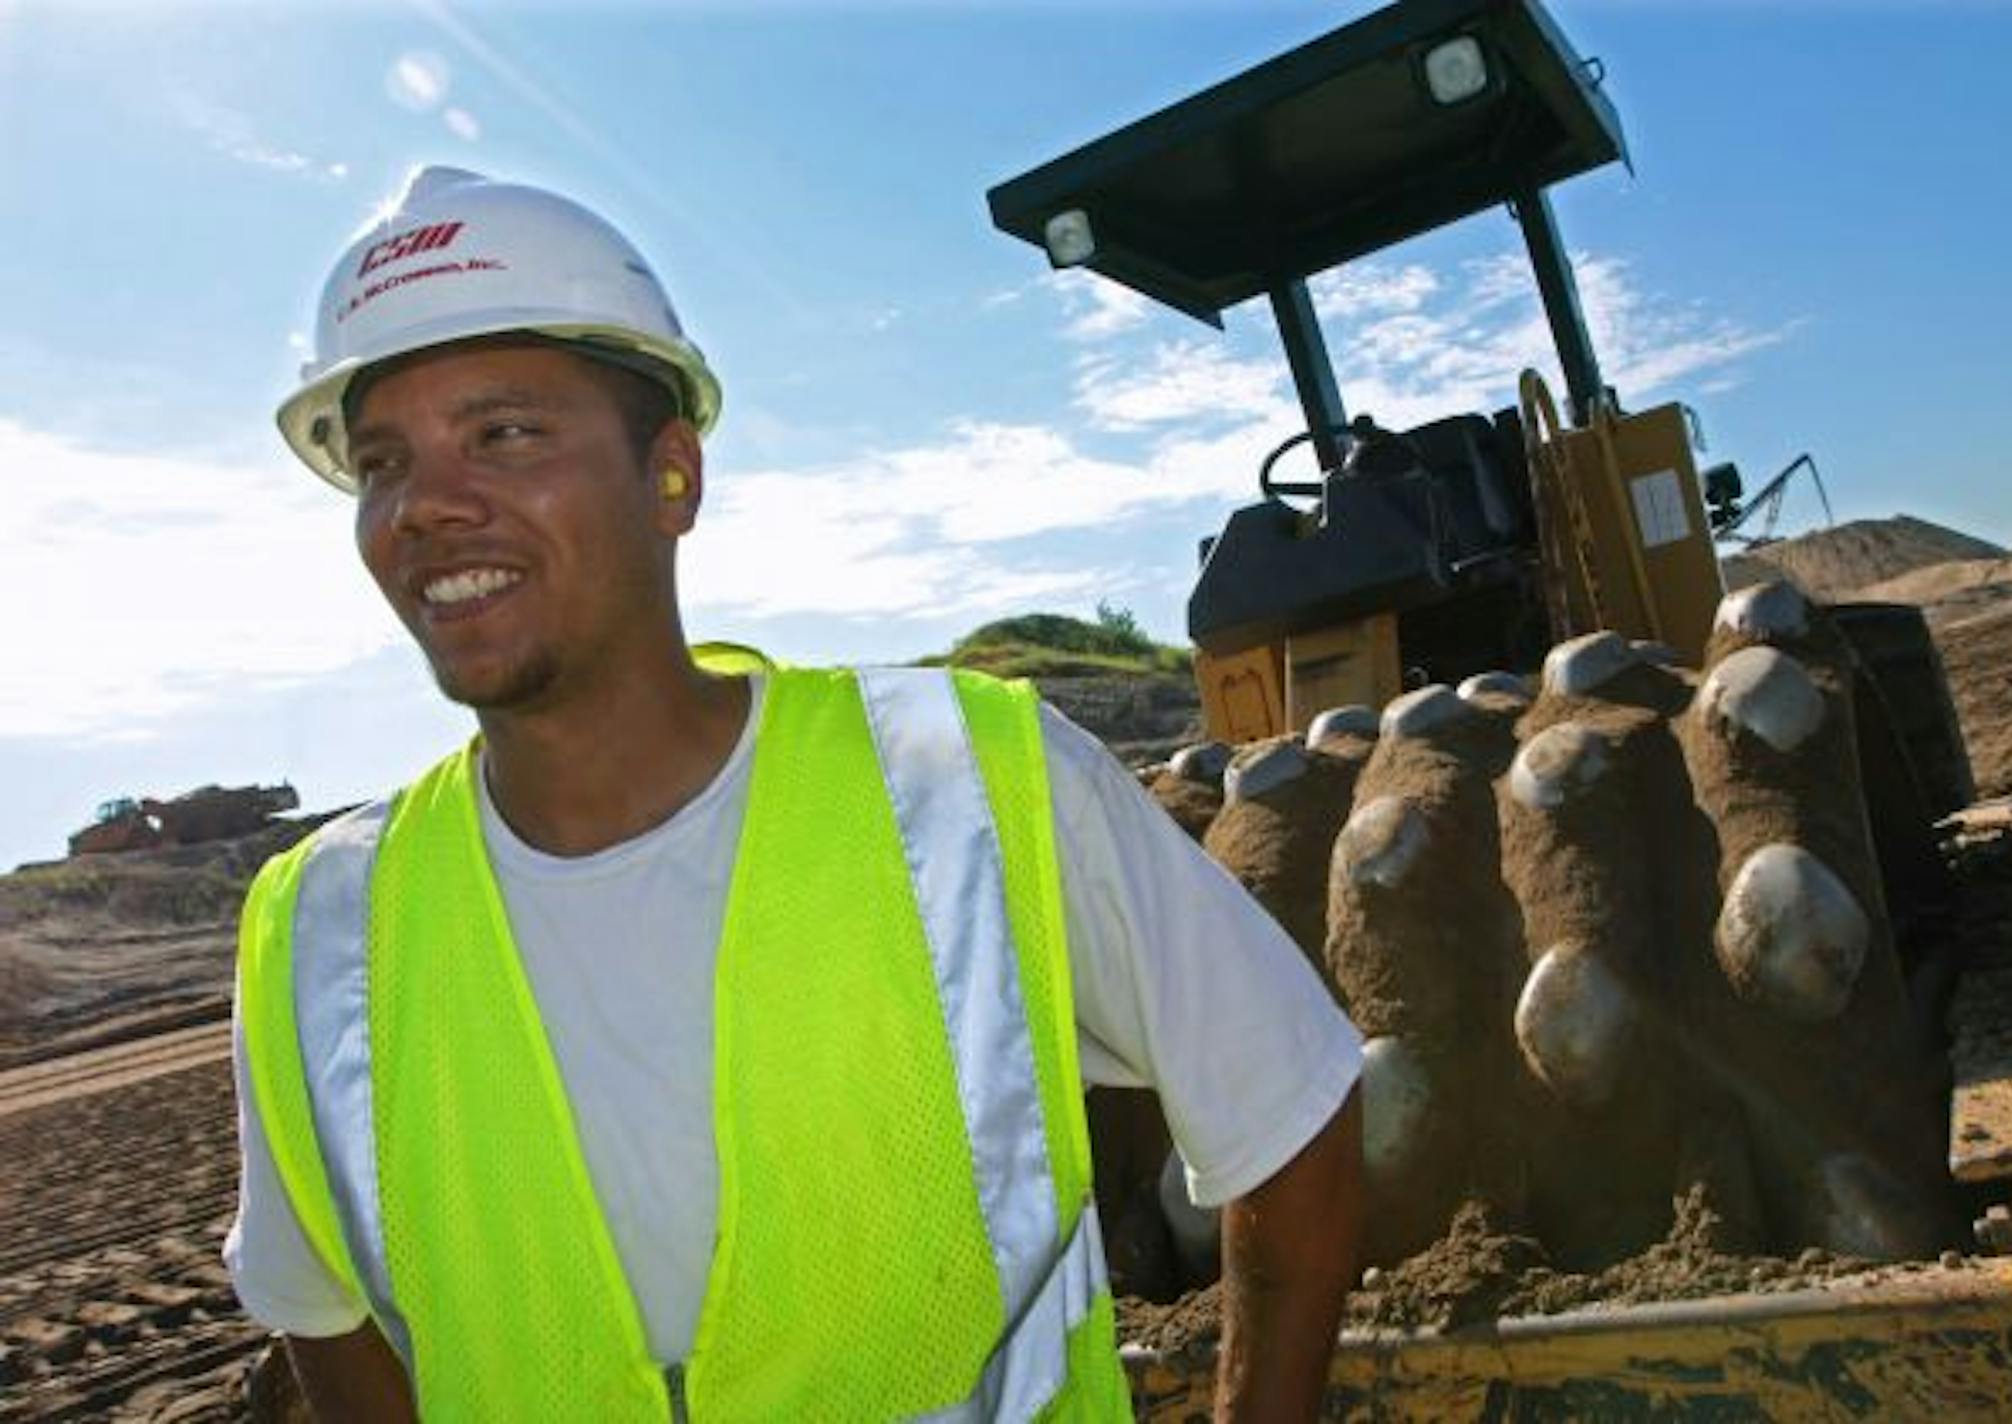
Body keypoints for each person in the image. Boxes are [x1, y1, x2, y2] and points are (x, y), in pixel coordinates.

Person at [224, 165, 1363, 1421]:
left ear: (672, 477)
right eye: (384, 461)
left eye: (503, 433)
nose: (424, 506)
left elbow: (1291, 1116)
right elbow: (328, 1327)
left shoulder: (970, 782)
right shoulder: (318, 929)